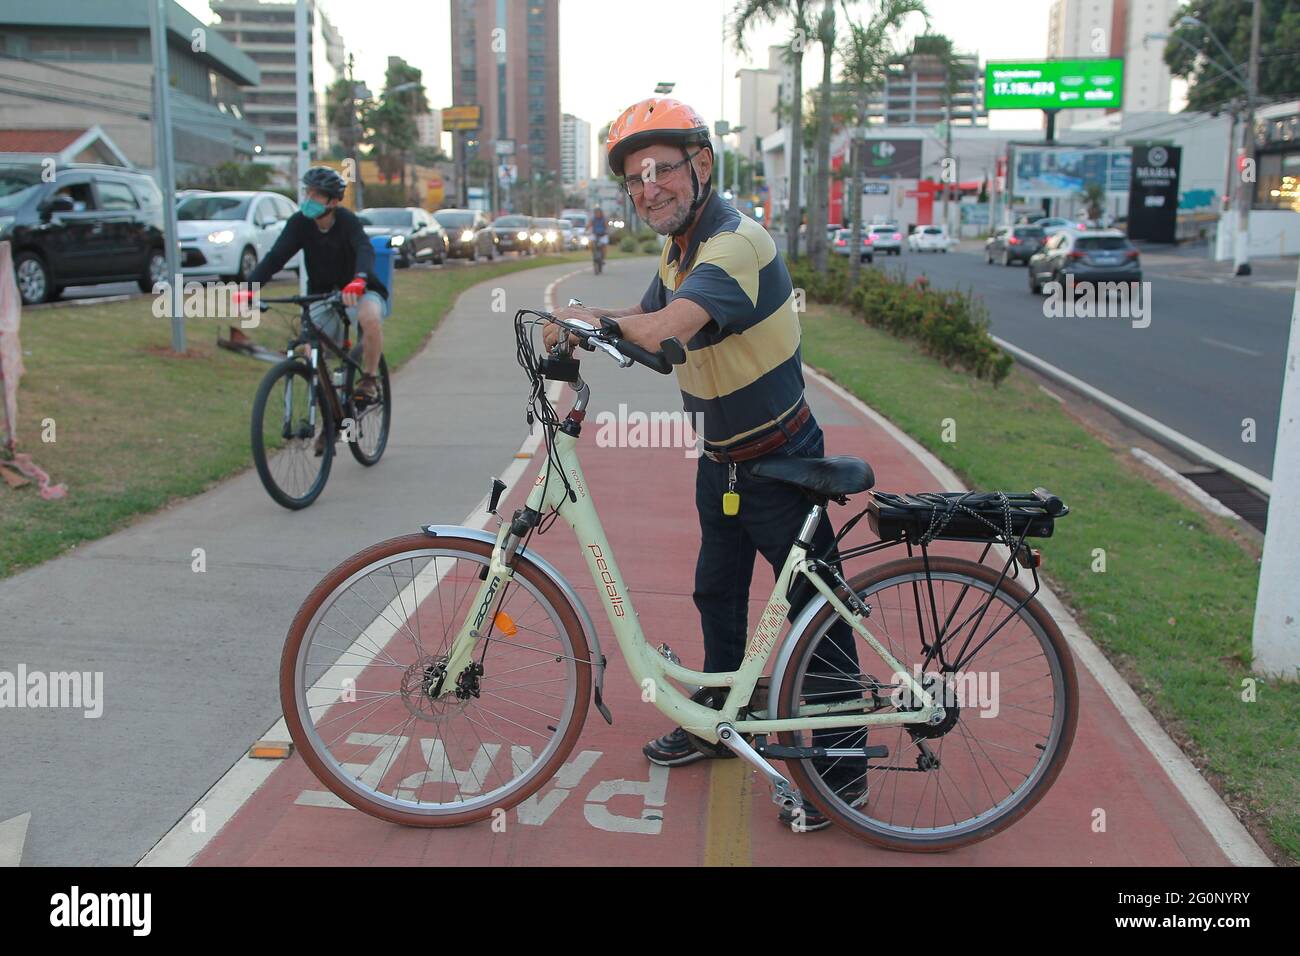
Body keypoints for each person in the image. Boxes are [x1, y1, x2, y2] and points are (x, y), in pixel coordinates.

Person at [543, 98, 864, 831]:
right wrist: (592, 331)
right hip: (722, 462)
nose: (645, 187)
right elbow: (656, 341)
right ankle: (720, 722)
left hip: (783, 462)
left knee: (821, 619)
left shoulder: (733, 245)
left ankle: (845, 778)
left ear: (702, 165)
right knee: (716, 596)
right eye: (632, 178)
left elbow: (662, 327)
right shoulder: (680, 250)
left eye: (657, 170)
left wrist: (593, 321)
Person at [236, 167, 389, 404]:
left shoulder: (347, 221)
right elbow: (276, 257)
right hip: (321, 294)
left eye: (316, 195)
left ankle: (369, 379)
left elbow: (364, 249)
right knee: (311, 349)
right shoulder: (300, 223)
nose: (309, 199)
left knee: (369, 319)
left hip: (358, 289)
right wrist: (250, 286)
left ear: (334, 200)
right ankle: (330, 410)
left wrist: (359, 279)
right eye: (307, 193)